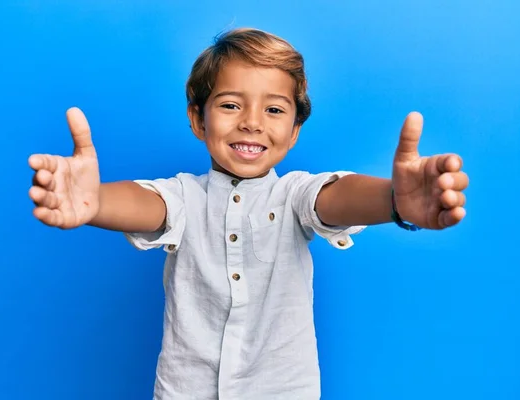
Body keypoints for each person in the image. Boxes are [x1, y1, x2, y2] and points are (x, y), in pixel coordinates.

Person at [28, 28, 469, 399]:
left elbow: (334, 197)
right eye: (230, 104)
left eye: (274, 109)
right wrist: (97, 202)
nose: (252, 122)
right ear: (198, 120)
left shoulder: (294, 194)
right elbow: (148, 206)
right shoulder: (184, 196)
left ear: (295, 131)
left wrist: (393, 201)